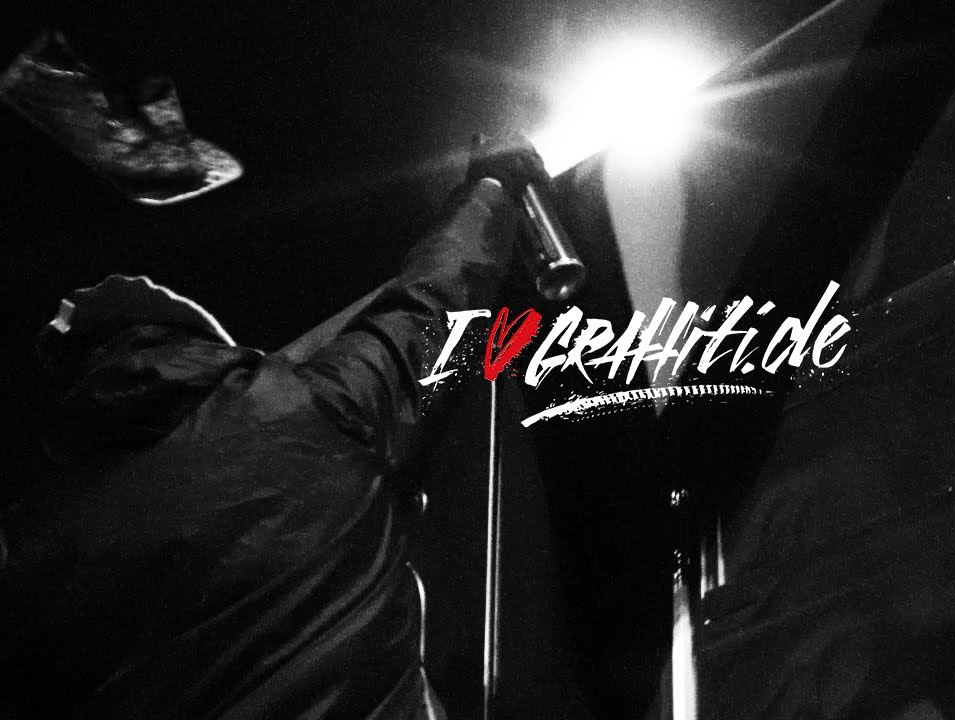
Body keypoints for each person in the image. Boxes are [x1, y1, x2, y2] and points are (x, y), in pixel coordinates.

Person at [0, 137, 549, 719]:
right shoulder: (309, 408)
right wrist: (492, 187)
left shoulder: (27, 551)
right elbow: (434, 303)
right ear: (202, 346)